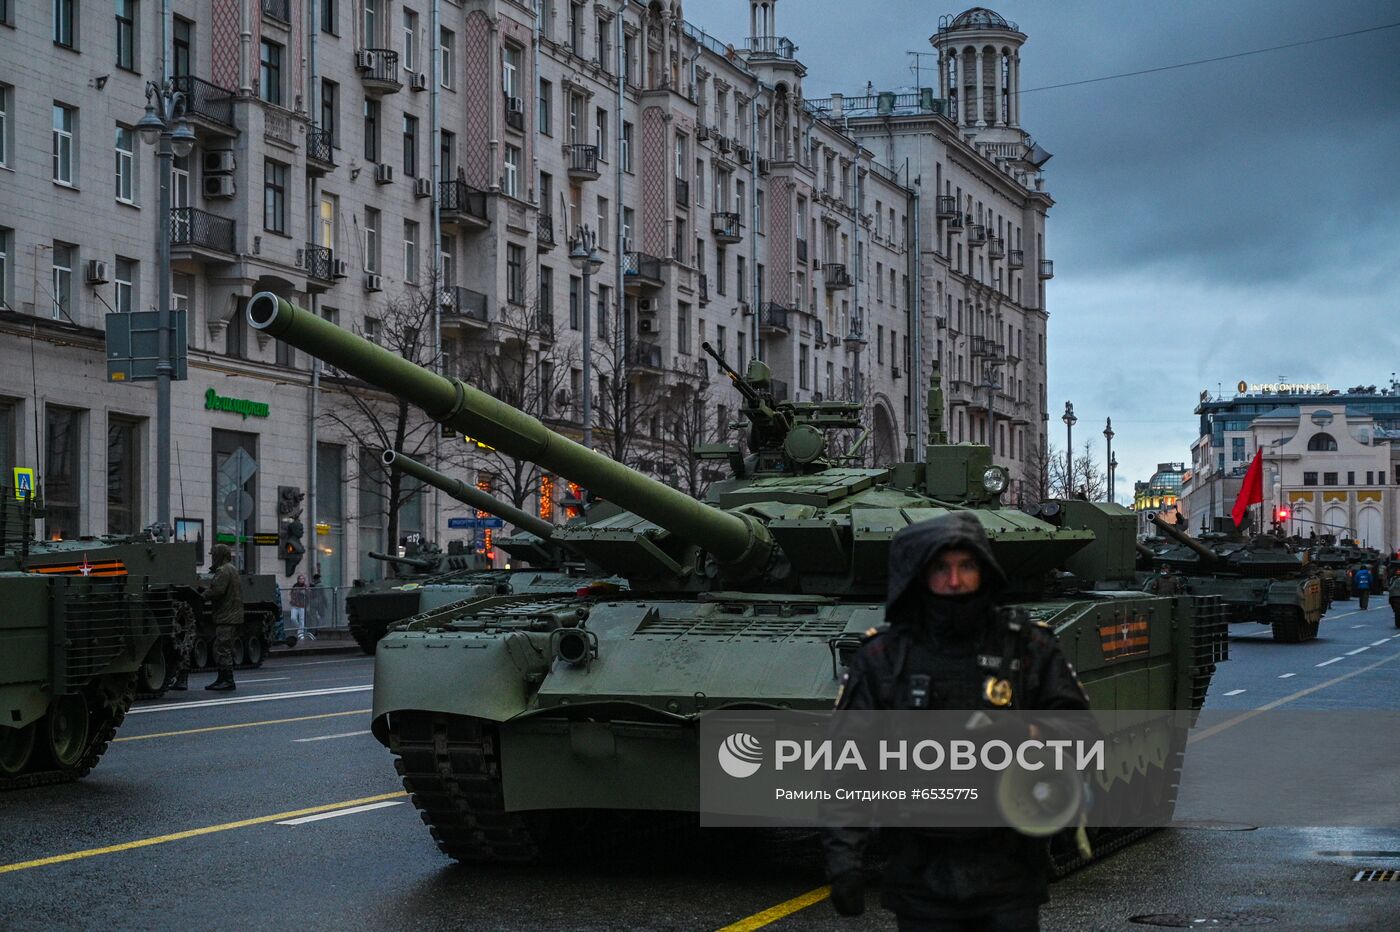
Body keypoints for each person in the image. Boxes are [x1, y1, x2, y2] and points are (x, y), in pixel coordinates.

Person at [823, 511, 1090, 932]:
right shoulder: (885, 658)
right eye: (941, 568)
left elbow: (1083, 733)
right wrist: (843, 857)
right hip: (919, 870)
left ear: (984, 570)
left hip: (1008, 869)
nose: (954, 581)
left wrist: (1031, 734)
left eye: (966, 566)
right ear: (919, 574)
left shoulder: (1027, 647)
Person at [203, 543, 243, 691]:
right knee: (221, 647)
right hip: (231, 614)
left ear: (220, 555)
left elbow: (217, 591)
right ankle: (222, 678)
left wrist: (203, 595)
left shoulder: (223, 570)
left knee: (222, 648)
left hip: (227, 616)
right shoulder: (232, 569)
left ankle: (227, 680)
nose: (213, 558)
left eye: (214, 555)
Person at [289, 573, 309, 642]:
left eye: (303, 579)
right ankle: (299, 629)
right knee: (293, 618)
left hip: (302, 605)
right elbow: (291, 593)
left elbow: (309, 594)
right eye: (300, 578)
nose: (301, 580)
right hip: (294, 605)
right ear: (298, 579)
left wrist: (305, 593)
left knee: (301, 619)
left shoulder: (305, 587)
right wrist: (292, 599)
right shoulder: (295, 586)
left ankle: (301, 634)